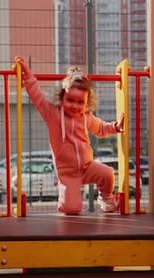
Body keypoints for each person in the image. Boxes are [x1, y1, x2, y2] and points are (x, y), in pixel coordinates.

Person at [15, 56, 124, 215]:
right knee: (72, 209)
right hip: (67, 173)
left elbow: (100, 128)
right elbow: (36, 95)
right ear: (61, 97)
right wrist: (28, 75)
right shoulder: (52, 114)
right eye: (70, 100)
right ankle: (65, 202)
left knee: (107, 173)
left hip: (87, 166)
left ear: (87, 103)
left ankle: (106, 198)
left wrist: (115, 126)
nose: (75, 106)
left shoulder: (86, 117)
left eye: (80, 102)